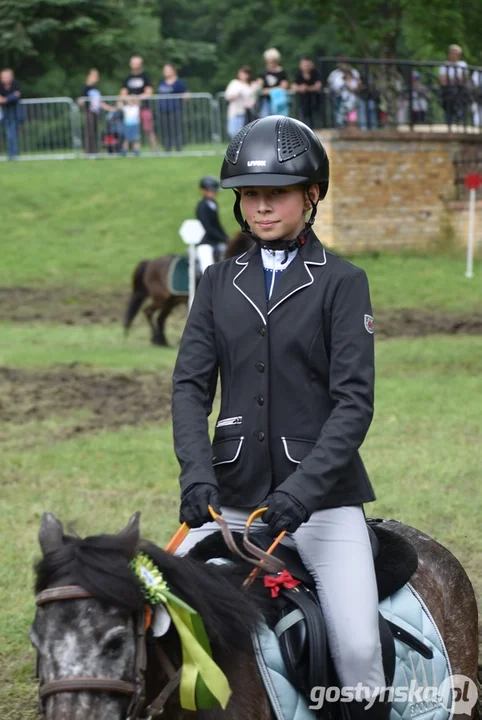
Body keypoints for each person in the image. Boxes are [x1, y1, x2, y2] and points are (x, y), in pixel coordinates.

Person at [172, 115, 390, 720]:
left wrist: (301, 494)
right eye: (251, 195)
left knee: (358, 647)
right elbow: (190, 388)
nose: (262, 207)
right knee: (158, 622)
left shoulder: (344, 283)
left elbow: (354, 404)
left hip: (320, 505)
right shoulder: (217, 283)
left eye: (276, 194)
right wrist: (196, 475)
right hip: (231, 501)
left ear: (311, 195)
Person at [120, 54, 158, 151]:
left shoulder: (145, 77)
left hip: (144, 107)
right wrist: (130, 100)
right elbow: (123, 93)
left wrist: (137, 98)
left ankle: (155, 149)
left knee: (148, 128)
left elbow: (149, 92)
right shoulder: (127, 78)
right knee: (130, 129)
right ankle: (129, 149)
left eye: (137, 63)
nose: (135, 65)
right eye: (134, 63)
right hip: (131, 109)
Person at [195, 176, 229, 272]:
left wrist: (227, 238)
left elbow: (217, 225)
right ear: (203, 191)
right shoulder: (202, 206)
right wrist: (223, 238)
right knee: (208, 267)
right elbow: (208, 227)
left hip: (215, 241)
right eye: (211, 191)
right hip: (205, 242)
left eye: (214, 191)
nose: (214, 193)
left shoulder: (213, 204)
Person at [78, 69, 115, 154]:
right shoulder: (85, 88)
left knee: (95, 132)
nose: (96, 78)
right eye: (94, 76)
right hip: (89, 112)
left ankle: (95, 151)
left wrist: (111, 108)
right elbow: (81, 99)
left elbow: (100, 102)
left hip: (96, 112)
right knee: (89, 132)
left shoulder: (96, 89)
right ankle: (88, 152)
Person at [157, 63, 187, 152]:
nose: (165, 72)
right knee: (166, 130)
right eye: (164, 70)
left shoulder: (178, 83)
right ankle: (167, 149)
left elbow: (186, 95)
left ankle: (178, 148)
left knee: (176, 129)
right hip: (163, 110)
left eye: (167, 70)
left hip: (175, 110)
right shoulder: (162, 82)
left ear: (173, 71)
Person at [438, 44, 469, 128]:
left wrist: (451, 79)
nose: (453, 55)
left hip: (459, 91)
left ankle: (460, 126)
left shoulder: (462, 64)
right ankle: (448, 126)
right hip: (447, 91)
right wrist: (455, 80)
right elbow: (443, 80)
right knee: (448, 109)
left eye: (455, 53)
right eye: (451, 53)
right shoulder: (444, 65)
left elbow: (463, 79)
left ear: (459, 55)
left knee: (460, 108)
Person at [224, 66, 258, 138]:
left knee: (242, 132)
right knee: (232, 131)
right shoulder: (234, 83)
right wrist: (236, 96)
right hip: (235, 110)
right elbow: (227, 96)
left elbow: (253, 99)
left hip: (246, 111)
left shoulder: (251, 85)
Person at [257, 48, 289, 118]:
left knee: (279, 119)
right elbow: (259, 86)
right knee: (265, 119)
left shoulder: (282, 72)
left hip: (278, 101)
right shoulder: (263, 72)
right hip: (266, 100)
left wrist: (270, 90)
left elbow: (284, 86)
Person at [291, 56, 322, 129]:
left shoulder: (315, 73)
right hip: (303, 102)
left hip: (315, 101)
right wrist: (300, 88)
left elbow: (318, 86)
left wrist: (307, 88)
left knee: (315, 119)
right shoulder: (298, 74)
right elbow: (293, 86)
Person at [0, 68, 22, 160]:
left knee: (11, 134)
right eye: (4, 76)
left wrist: (6, 99)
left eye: (7, 76)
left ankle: (12, 154)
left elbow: (17, 95)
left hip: (12, 114)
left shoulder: (15, 85)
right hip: (2, 112)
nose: (5, 78)